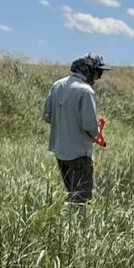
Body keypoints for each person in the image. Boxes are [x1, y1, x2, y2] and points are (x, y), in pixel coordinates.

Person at [45, 54, 107, 203]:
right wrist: (97, 128)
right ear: (89, 70)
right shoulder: (86, 91)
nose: (99, 77)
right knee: (81, 201)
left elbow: (48, 116)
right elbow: (90, 127)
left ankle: (69, 223)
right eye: (98, 72)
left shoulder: (57, 85)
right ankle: (79, 226)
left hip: (60, 152)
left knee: (71, 194)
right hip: (80, 154)